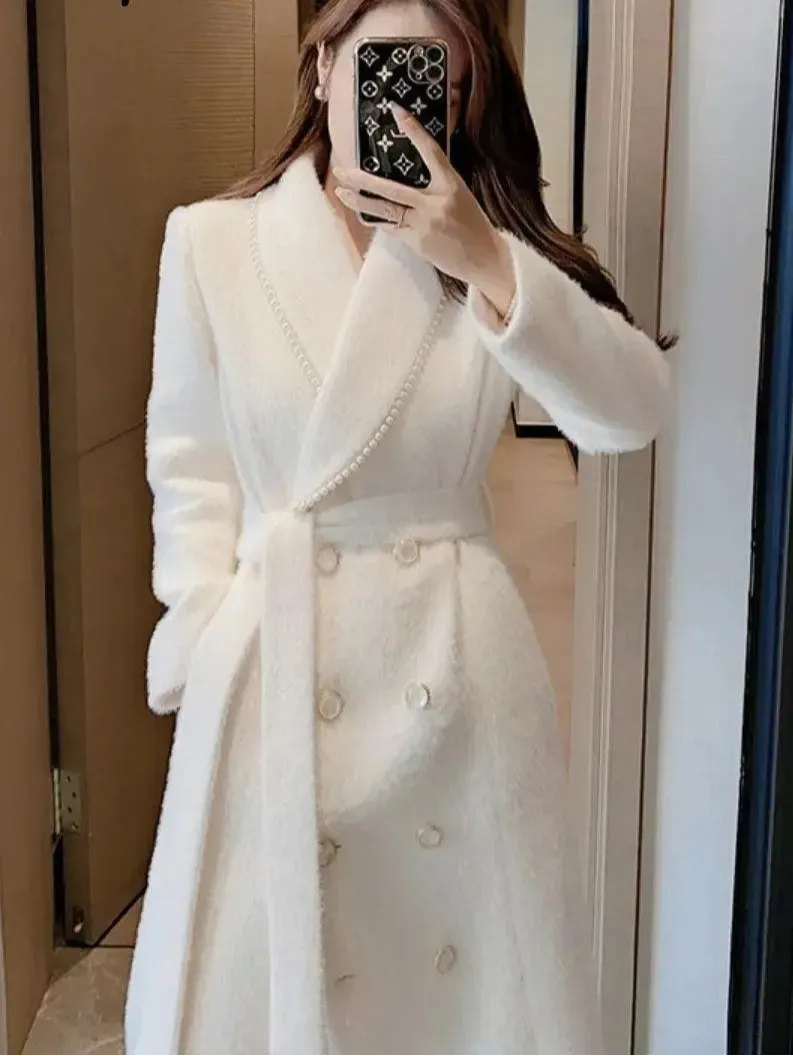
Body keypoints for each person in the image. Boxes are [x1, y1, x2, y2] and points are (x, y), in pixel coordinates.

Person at [124, 0, 670, 1053]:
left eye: (442, 85)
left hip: (452, 681)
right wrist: (200, 634)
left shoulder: (482, 248)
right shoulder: (211, 243)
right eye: (382, 64)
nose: (411, 105)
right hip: (274, 666)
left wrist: (486, 260)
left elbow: (631, 413)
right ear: (322, 65)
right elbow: (187, 467)